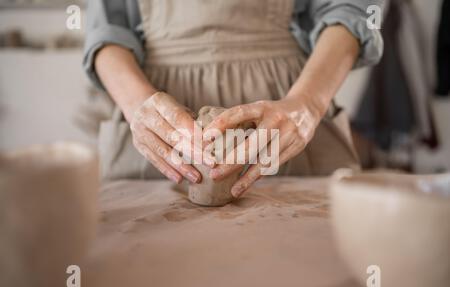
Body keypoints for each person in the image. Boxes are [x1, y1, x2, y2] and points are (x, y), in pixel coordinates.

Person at [84, 0, 384, 198]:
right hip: (156, 119)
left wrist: (308, 104)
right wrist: (137, 104)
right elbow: (107, 29)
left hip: (286, 110)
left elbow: (352, 12)